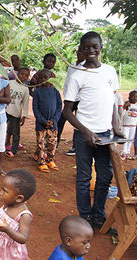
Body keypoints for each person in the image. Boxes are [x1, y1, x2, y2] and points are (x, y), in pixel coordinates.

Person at [63, 31, 123, 236]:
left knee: (105, 177)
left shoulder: (110, 71)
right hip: (84, 135)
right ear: (81, 49)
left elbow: (114, 101)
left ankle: (99, 216)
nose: (91, 51)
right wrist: (85, 131)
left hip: (105, 134)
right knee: (84, 178)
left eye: (94, 47)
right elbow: (67, 111)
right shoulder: (77, 75)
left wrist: (116, 127)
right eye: (86, 47)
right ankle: (85, 218)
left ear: (100, 48)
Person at [0, 169, 36, 260]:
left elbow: (23, 238)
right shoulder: (8, 203)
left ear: (19, 198)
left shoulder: (24, 216)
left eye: (5, 191)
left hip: (9, 251)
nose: (0, 192)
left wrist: (7, 230)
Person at [32, 69, 62, 173]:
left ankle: (50, 160)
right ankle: (41, 162)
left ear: (51, 79)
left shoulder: (55, 92)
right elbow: (35, 109)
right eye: (41, 77)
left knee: (52, 143)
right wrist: (44, 121)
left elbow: (59, 107)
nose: (43, 79)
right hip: (41, 124)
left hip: (53, 124)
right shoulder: (37, 92)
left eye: (46, 77)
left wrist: (54, 120)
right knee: (41, 144)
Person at [57, 47, 85, 156]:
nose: (80, 54)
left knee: (78, 122)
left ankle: (75, 146)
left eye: (82, 52)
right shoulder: (72, 65)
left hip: (80, 99)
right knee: (61, 119)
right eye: (79, 51)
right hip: (70, 98)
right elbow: (68, 81)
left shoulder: (86, 68)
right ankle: (56, 142)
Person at [5, 68, 30, 158]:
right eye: (22, 74)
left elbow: (25, 103)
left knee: (16, 133)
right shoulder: (10, 83)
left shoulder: (25, 89)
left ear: (28, 77)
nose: (23, 76)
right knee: (1, 129)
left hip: (16, 113)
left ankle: (13, 151)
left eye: (26, 75)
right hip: (5, 111)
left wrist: (24, 116)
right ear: (17, 74)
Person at [121, 90, 137, 160]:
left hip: (133, 125)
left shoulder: (136, 106)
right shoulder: (127, 104)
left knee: (131, 139)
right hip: (126, 125)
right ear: (129, 97)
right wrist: (125, 107)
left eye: (136, 96)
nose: (134, 98)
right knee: (125, 138)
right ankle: (124, 152)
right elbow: (121, 113)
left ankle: (127, 152)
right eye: (132, 96)